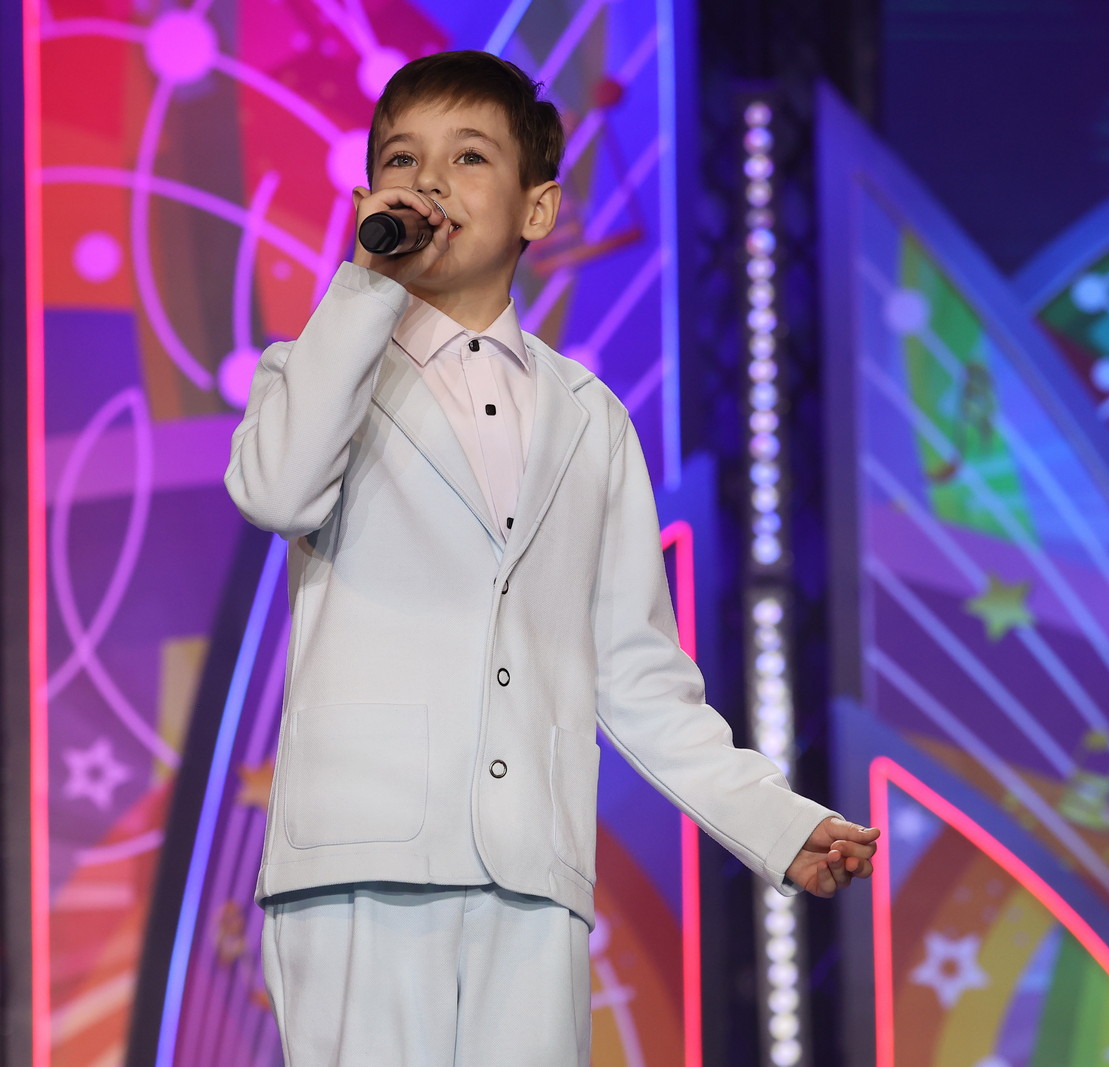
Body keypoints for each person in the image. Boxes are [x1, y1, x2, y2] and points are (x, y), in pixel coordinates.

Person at [225, 49, 878, 1066]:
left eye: (469, 157)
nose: (431, 181)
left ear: (538, 208)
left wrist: (774, 820)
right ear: (368, 199)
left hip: (529, 869)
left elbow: (637, 673)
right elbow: (276, 490)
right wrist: (364, 290)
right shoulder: (315, 373)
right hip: (360, 857)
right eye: (402, 159)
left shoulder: (590, 418)